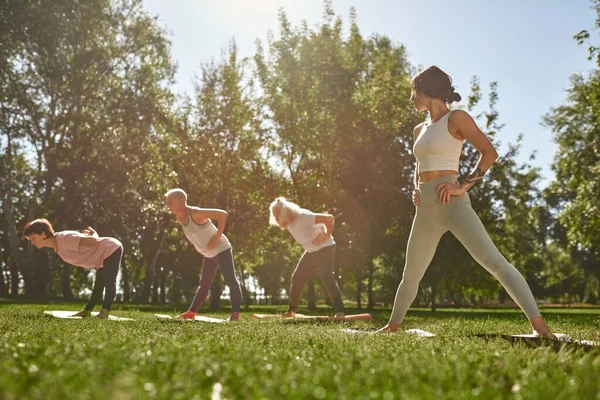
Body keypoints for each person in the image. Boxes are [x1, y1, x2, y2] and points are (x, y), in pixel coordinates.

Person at [377, 66, 554, 337]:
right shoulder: (418, 130)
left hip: (452, 203)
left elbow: (489, 153)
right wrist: (415, 188)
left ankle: (540, 328)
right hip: (424, 207)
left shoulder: (456, 118)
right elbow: (419, 164)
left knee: (494, 261)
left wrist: (463, 186)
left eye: (414, 92)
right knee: (410, 273)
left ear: (427, 91)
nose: (411, 98)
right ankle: (392, 327)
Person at [165, 188, 242, 321]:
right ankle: (191, 313)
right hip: (208, 253)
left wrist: (217, 238)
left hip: (222, 248)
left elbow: (222, 214)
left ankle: (235, 315)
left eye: (170, 202)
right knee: (204, 283)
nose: (168, 206)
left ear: (181, 201)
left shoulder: (195, 213)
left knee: (230, 279)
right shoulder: (179, 218)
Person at [24, 218, 123, 319]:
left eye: (33, 238)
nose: (32, 242)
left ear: (43, 234)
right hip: (101, 256)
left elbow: (93, 241)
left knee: (109, 281)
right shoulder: (58, 248)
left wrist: (95, 234)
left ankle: (104, 313)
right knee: (98, 284)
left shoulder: (65, 238)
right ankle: (87, 311)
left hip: (111, 248)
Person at [269, 197, 344, 318]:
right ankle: (291, 312)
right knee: (297, 277)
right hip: (311, 252)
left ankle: (340, 312)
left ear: (285, 213)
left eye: (277, 215)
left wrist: (326, 235)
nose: (275, 219)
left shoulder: (303, 217)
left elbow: (329, 218)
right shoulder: (288, 221)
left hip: (325, 249)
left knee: (327, 277)